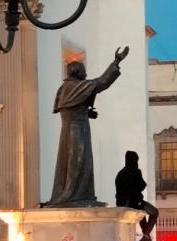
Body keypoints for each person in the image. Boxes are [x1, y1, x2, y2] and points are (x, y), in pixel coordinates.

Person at [44, 46, 129, 207]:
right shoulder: (77, 86)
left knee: (69, 164)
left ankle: (71, 194)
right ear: (76, 72)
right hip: (78, 131)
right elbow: (102, 82)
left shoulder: (64, 88)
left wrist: (87, 113)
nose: (86, 74)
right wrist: (116, 61)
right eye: (83, 71)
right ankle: (75, 196)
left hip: (68, 131)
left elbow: (69, 107)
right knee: (79, 162)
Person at [115, 150, 159, 241]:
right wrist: (138, 174)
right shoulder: (132, 172)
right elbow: (141, 186)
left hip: (131, 202)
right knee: (152, 214)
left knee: (145, 219)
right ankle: (146, 239)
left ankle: (146, 238)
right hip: (133, 203)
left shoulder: (121, 173)